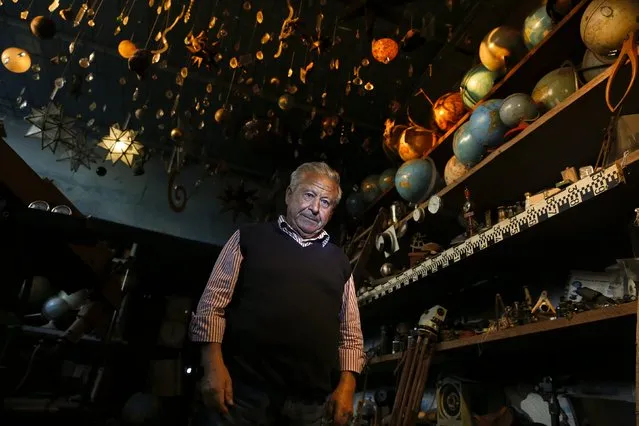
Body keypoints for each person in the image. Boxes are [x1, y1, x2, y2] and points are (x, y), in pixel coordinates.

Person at [190, 162, 365, 426]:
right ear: (288, 194)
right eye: (308, 195)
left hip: (309, 407)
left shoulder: (340, 262)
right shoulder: (248, 238)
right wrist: (212, 365)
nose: (315, 208)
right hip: (240, 396)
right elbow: (211, 306)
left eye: (326, 202)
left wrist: (347, 385)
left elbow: (351, 334)